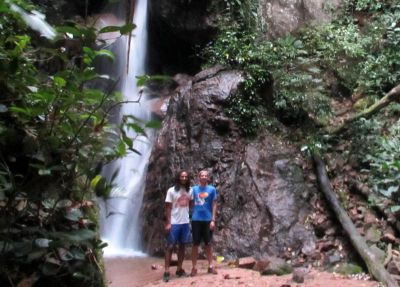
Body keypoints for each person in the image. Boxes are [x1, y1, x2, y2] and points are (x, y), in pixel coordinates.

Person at [163, 170, 192, 282]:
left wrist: (190, 217)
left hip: (185, 222)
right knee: (170, 246)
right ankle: (166, 271)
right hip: (174, 223)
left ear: (187, 178)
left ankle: (179, 269)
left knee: (182, 246)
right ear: (178, 178)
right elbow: (168, 207)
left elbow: (191, 204)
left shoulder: (190, 191)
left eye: (185, 176)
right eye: (182, 176)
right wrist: (168, 223)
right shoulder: (171, 191)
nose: (184, 178)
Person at [190, 170, 218, 276]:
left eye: (206, 175)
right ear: (199, 177)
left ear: (208, 177)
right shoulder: (193, 189)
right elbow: (189, 201)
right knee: (195, 244)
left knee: (208, 244)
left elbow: (214, 204)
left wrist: (213, 220)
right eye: (202, 175)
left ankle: (211, 266)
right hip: (196, 219)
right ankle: (194, 267)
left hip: (207, 220)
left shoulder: (212, 189)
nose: (204, 177)